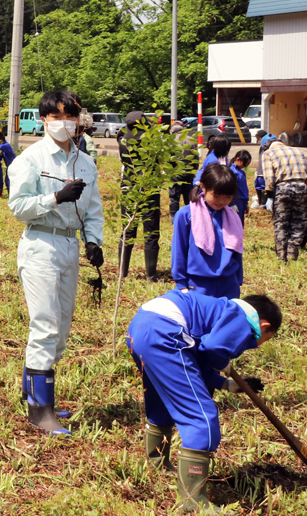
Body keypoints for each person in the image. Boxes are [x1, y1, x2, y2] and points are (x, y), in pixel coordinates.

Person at [126, 290, 280, 512]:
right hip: (165, 333)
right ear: (264, 325)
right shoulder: (241, 317)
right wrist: (223, 361)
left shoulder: (217, 310)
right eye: (266, 339)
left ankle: (158, 466)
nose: (259, 345)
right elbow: (215, 349)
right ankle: (193, 502)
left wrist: (226, 384)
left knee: (162, 403)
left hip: (142, 328)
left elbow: (196, 360)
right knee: (202, 419)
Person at [8, 90, 103, 437]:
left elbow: (93, 208)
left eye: (71, 117)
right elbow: (18, 207)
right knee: (46, 326)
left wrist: (93, 241)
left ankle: (32, 390)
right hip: (40, 244)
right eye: (58, 117)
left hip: (68, 246)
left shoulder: (86, 162)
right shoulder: (30, 160)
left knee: (60, 332)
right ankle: (40, 410)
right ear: (44, 119)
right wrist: (55, 197)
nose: (65, 123)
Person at [170, 164, 243, 299]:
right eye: (216, 195)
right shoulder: (186, 215)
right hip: (198, 285)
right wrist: (181, 284)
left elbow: (236, 248)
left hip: (228, 284)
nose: (222, 201)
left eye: (228, 197)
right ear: (203, 186)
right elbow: (178, 249)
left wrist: (238, 279)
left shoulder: (232, 216)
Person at [118, 112, 161, 283]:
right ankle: (151, 276)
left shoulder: (123, 140)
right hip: (148, 188)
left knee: (127, 230)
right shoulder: (151, 141)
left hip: (128, 186)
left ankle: (122, 273)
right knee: (151, 232)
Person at [258, 132, 307, 262]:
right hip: (302, 186)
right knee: (299, 223)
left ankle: (282, 257)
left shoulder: (268, 154)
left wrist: (270, 197)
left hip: (283, 188)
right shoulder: (299, 151)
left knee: (281, 223)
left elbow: (269, 178)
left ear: (265, 147)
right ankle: (292, 255)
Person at [168, 122, 199, 219]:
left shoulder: (171, 141)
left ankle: (174, 218)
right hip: (189, 171)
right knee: (188, 195)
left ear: (173, 130)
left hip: (176, 171)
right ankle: (190, 216)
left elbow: (169, 158)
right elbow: (195, 158)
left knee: (174, 197)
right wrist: (194, 170)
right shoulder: (191, 140)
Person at [231, 150, 252, 224]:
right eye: (246, 163)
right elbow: (230, 189)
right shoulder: (232, 171)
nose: (246, 165)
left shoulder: (242, 172)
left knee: (240, 223)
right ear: (238, 159)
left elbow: (244, 188)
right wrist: (231, 204)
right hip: (236, 201)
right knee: (235, 223)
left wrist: (246, 203)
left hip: (242, 201)